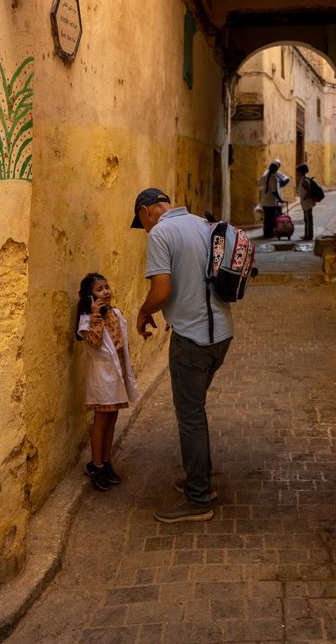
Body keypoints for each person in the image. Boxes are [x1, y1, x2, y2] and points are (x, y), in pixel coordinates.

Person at [132, 188, 233, 524]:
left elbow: (162, 290)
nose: (145, 229)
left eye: (142, 223)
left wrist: (144, 312)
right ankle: (199, 480)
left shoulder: (161, 233)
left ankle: (198, 498)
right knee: (195, 413)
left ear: (147, 212)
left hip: (192, 338)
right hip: (221, 334)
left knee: (190, 417)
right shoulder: (203, 225)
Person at [76, 272, 139, 492]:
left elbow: (123, 346)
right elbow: (93, 342)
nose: (106, 292)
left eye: (107, 287)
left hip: (117, 374)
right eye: (99, 289)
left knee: (112, 417)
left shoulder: (115, 314)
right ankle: (95, 465)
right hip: (102, 378)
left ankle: (106, 460)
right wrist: (95, 316)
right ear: (89, 296)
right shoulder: (87, 321)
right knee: (101, 419)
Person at [256, 159, 291, 238]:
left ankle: (266, 233)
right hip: (271, 202)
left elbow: (257, 183)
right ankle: (270, 233)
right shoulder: (274, 179)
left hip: (264, 201)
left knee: (266, 218)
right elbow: (274, 192)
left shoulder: (264, 176)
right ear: (276, 170)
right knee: (271, 218)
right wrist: (280, 199)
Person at [296, 162, 315, 241]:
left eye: (298, 172)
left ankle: (309, 235)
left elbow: (309, 191)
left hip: (307, 203)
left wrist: (305, 198)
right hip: (305, 203)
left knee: (308, 219)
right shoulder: (304, 179)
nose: (297, 173)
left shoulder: (304, 180)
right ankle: (307, 235)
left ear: (301, 172)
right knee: (307, 219)